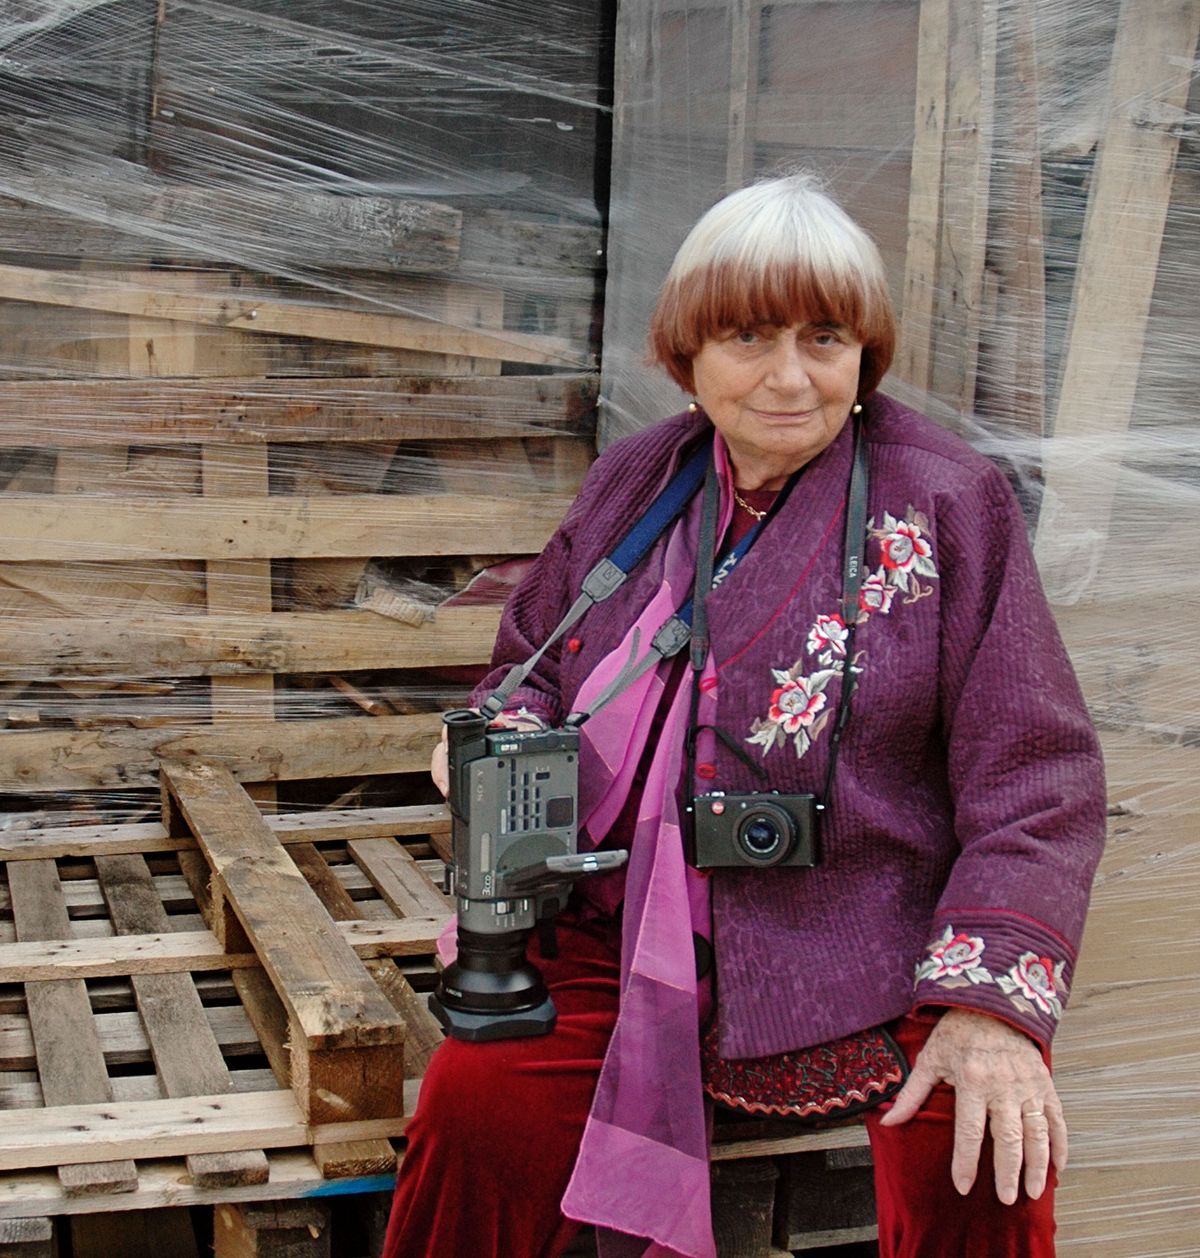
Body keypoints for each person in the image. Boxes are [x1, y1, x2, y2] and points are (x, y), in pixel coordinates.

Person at [383, 172, 1106, 1258]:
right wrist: (487, 735)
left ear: (866, 355)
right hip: (621, 925)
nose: (788, 377)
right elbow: (528, 669)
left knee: (981, 1146)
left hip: (871, 939)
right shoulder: (637, 481)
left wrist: (991, 1008)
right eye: (749, 336)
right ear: (687, 354)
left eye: (824, 337)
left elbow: (1039, 778)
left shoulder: (947, 502)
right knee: (476, 1102)